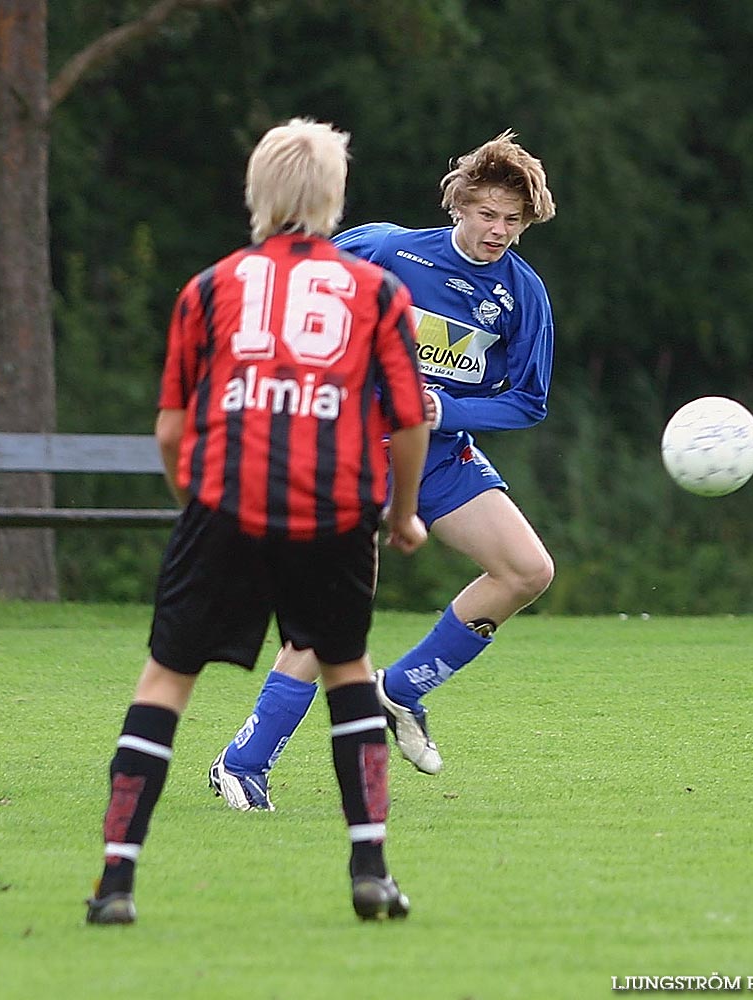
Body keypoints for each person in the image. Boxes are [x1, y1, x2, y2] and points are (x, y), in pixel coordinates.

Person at [85, 118, 430, 925]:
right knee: (347, 673)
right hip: (334, 510)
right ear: (335, 199)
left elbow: (171, 429)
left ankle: (116, 883)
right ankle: (370, 872)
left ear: (256, 194)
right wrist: (404, 515)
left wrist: (193, 502)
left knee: (166, 681)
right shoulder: (379, 292)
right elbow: (409, 419)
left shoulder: (208, 288)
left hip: (225, 505)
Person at [208, 129, 556, 810]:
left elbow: (526, 402)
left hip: (437, 456)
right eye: (486, 214)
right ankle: (242, 763)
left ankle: (401, 689)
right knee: (332, 610)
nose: (498, 232)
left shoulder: (523, 295)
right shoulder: (386, 248)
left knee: (526, 570)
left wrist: (444, 408)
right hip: (349, 450)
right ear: (458, 205)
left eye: (513, 221)